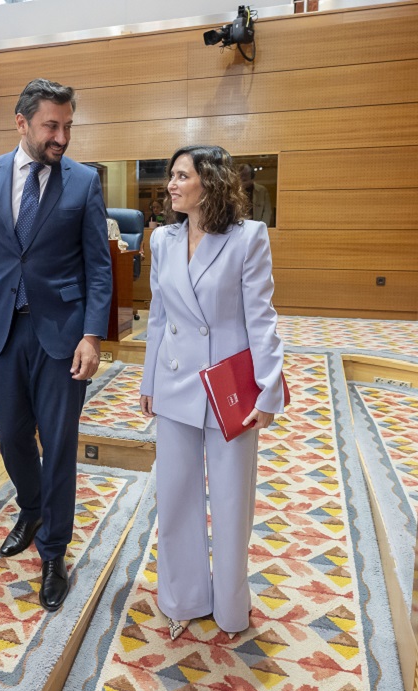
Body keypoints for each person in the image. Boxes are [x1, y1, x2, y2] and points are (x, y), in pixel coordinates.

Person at [0, 78, 113, 613]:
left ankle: (54, 552)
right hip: (0, 330)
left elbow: (99, 267)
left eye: (68, 126)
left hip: (62, 334)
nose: (61, 137)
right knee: (11, 434)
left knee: (59, 443)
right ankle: (33, 505)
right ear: (21, 123)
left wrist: (92, 334)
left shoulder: (83, 182)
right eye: (51, 126)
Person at [139, 145, 285, 641]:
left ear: (211, 182)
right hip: (174, 380)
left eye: (182, 176)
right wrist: (149, 382)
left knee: (230, 501)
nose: (171, 184)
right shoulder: (162, 240)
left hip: (229, 391)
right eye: (171, 176)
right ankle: (182, 597)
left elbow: (261, 318)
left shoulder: (248, 237)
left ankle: (229, 606)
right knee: (175, 497)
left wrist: (269, 389)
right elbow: (158, 316)